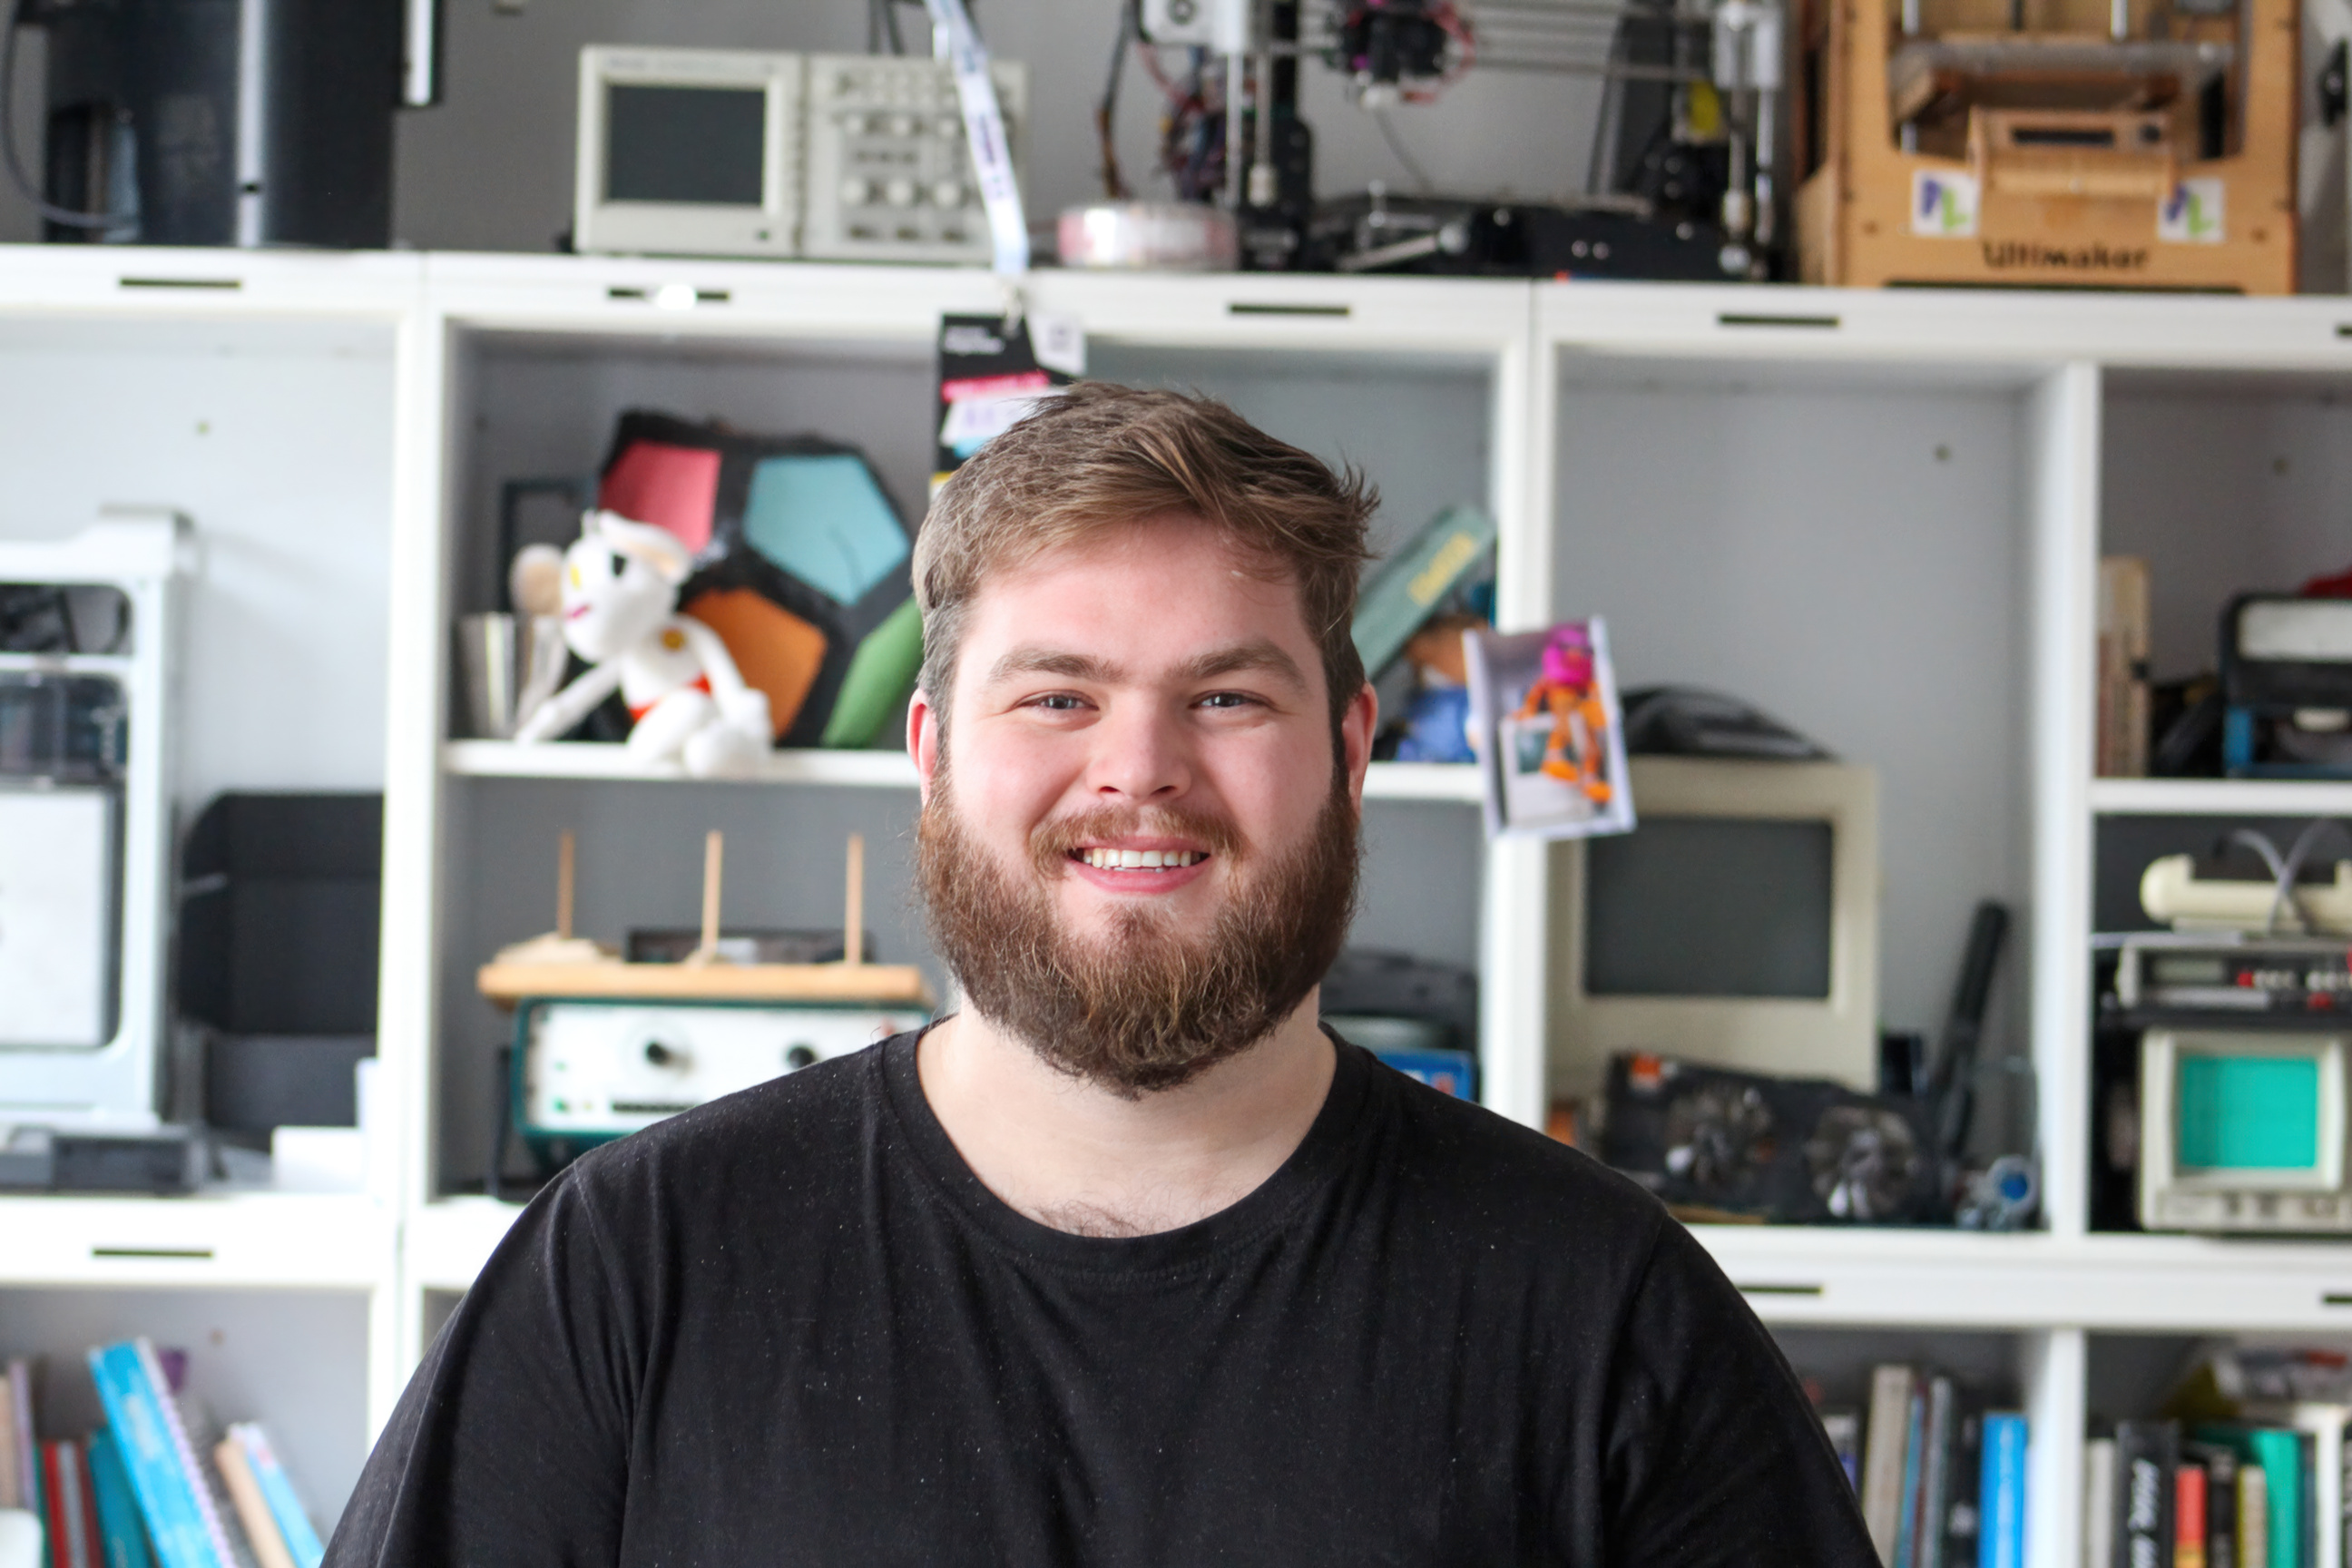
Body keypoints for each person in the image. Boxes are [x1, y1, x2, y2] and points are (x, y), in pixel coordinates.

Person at [328, 385, 1877, 1566]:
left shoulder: (1605, 1313)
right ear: (932, 758)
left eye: (1225, 696)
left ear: (1347, 754)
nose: (1139, 772)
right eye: (1058, 694)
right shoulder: (631, 1271)